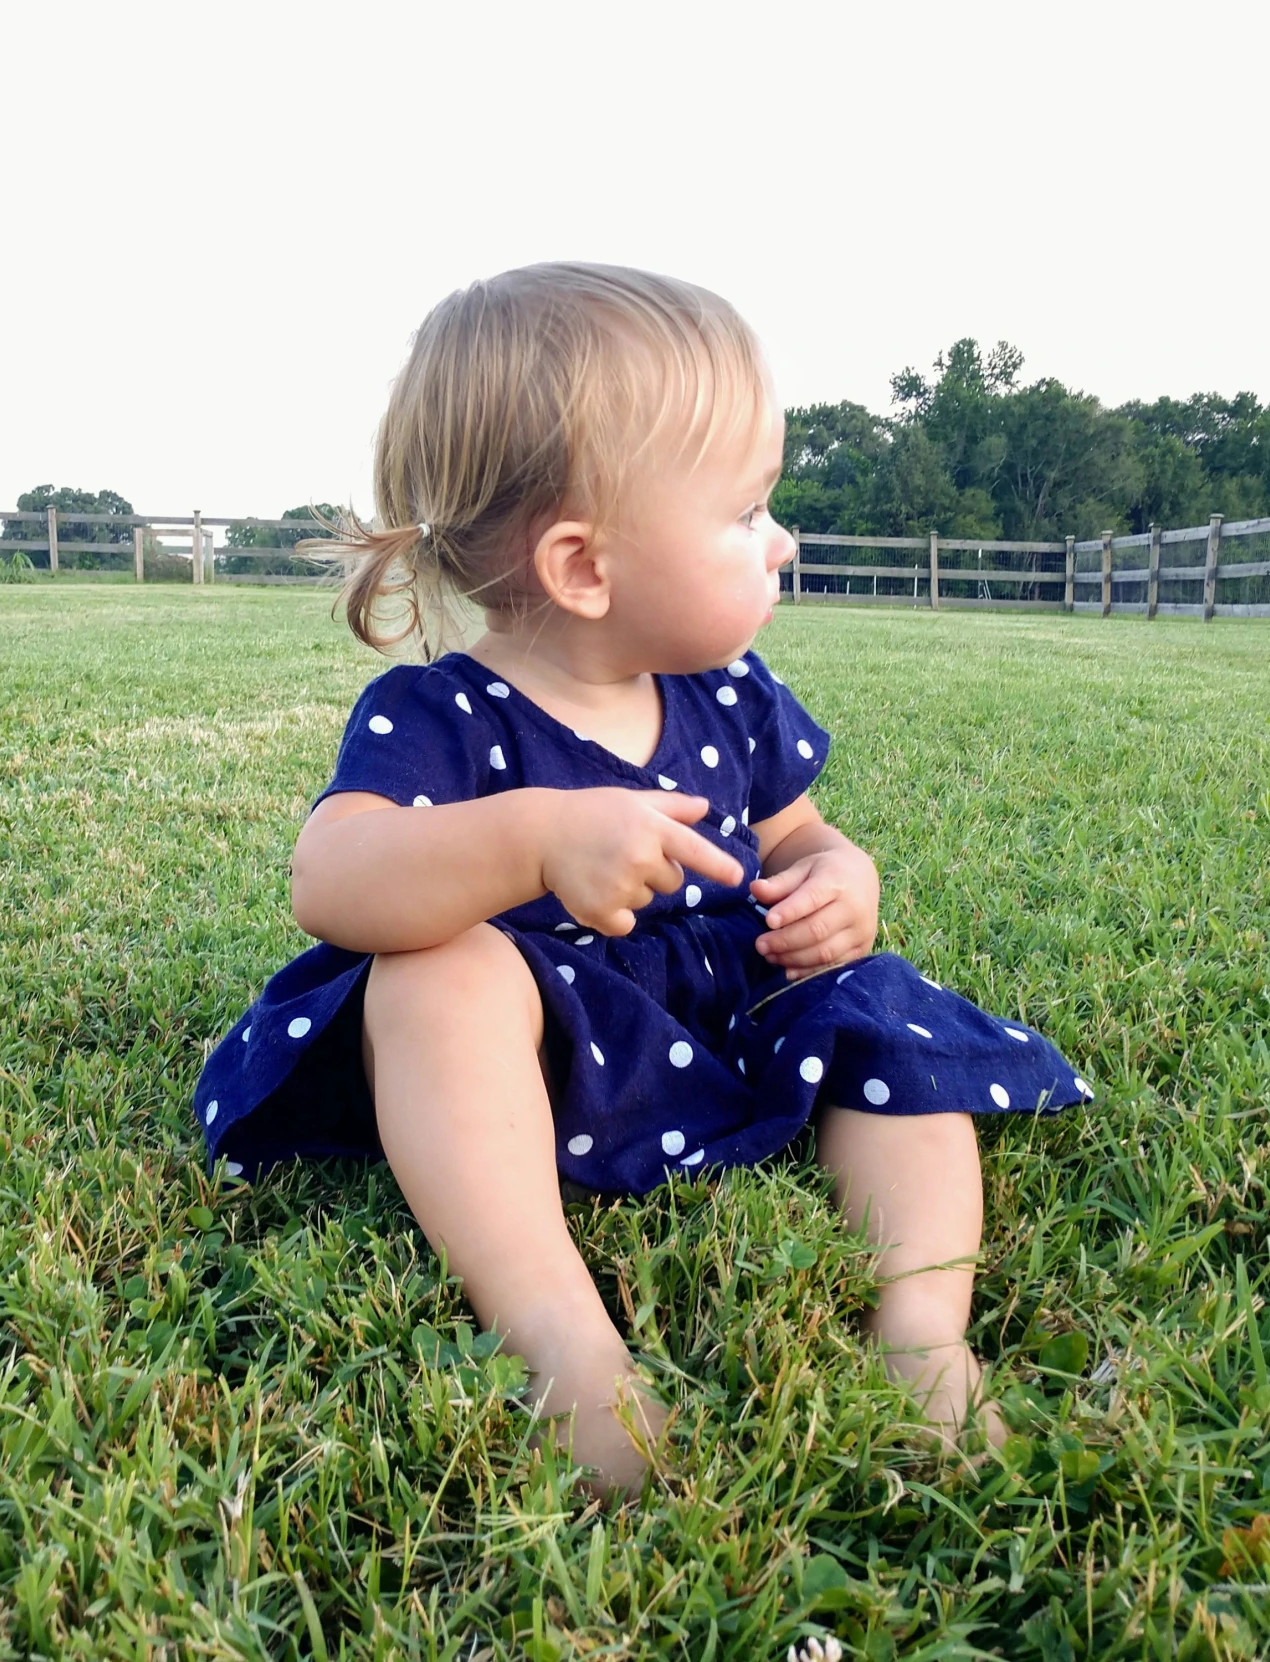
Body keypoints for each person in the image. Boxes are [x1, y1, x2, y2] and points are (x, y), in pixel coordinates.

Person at [193, 262, 1091, 1492]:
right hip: (542, 1041)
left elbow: (799, 837)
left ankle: (921, 1330)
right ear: (583, 567)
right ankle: (567, 1351)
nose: (782, 540)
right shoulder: (445, 712)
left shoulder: (728, 697)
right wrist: (534, 840)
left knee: (885, 1010)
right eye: (744, 513)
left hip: (735, 1010)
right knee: (434, 976)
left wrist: (842, 876)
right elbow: (333, 879)